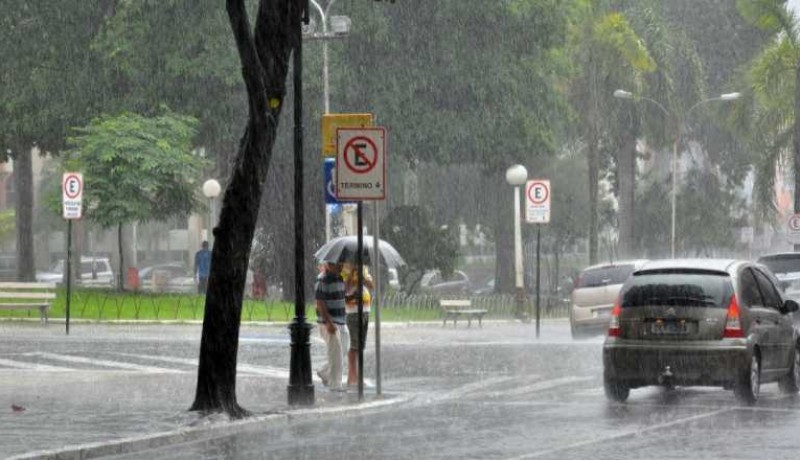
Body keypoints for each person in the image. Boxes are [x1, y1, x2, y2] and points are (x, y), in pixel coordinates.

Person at [315, 262, 349, 391]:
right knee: (335, 352)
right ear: (329, 265)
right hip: (329, 322)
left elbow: (344, 294)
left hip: (341, 321)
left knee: (345, 347)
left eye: (342, 264)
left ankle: (324, 372)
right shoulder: (322, 280)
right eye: (337, 264)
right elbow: (320, 303)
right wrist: (328, 322)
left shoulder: (340, 278)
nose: (341, 266)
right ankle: (335, 384)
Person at [342, 262, 374, 387]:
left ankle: (360, 377)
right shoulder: (345, 268)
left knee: (361, 346)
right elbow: (345, 288)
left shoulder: (364, 268)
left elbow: (371, 286)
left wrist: (364, 278)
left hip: (365, 310)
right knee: (353, 346)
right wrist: (351, 275)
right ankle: (351, 377)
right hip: (353, 311)